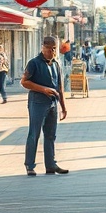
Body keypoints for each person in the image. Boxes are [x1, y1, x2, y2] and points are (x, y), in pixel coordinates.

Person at [20, 35, 68, 176]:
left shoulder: (56, 64)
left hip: (53, 103)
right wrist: (43, 89)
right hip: (37, 102)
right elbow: (24, 82)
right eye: (48, 48)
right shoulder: (34, 63)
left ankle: (51, 164)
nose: (51, 52)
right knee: (34, 134)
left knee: (51, 135)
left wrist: (63, 107)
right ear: (43, 47)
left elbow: (60, 87)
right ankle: (30, 165)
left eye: (54, 49)